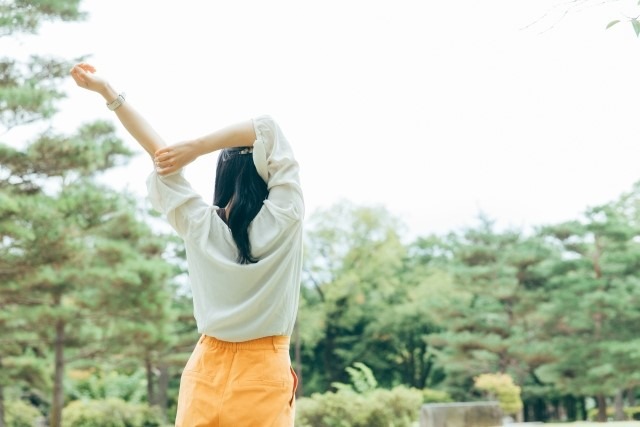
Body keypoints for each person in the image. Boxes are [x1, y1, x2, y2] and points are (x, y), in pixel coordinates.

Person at [70, 63, 303, 427]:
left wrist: (108, 93)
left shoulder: (199, 224)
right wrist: (198, 147)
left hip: (205, 368)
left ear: (222, 178)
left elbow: (160, 155)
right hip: (264, 369)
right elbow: (267, 127)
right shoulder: (285, 218)